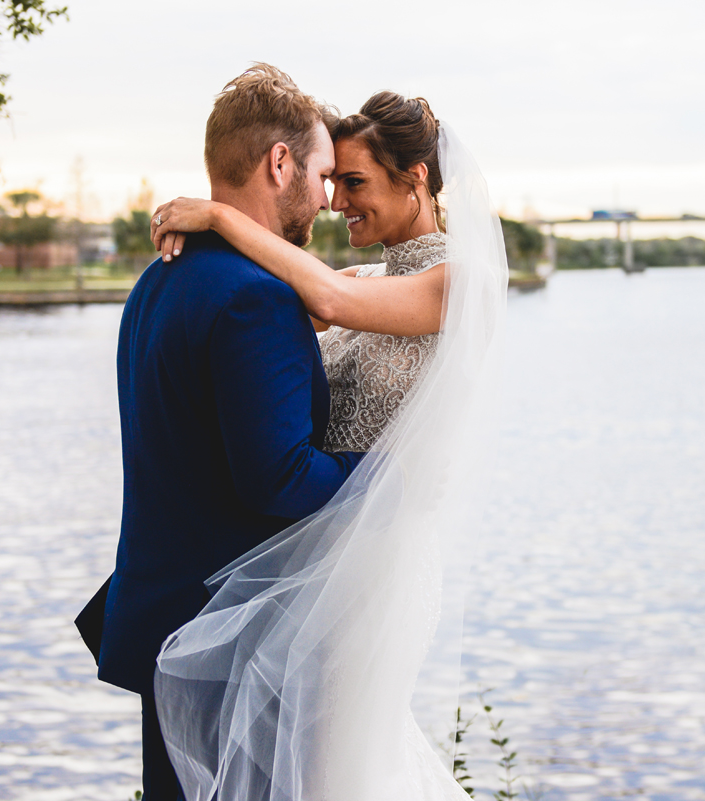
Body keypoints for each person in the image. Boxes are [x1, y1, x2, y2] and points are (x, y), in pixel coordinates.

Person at [148, 90, 509, 801]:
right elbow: (261, 312)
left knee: (333, 772)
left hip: (376, 569)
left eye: (356, 182)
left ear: (417, 180)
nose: (338, 201)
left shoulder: (461, 284)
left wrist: (218, 213)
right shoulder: (359, 279)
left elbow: (331, 306)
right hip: (309, 565)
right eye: (333, 180)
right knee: (306, 773)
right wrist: (207, 248)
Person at [84, 64, 365, 801]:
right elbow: (279, 478)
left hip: (165, 628)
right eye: (323, 173)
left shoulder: (157, 282)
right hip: (233, 647)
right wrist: (382, 464)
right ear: (280, 164)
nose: (330, 200)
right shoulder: (256, 300)